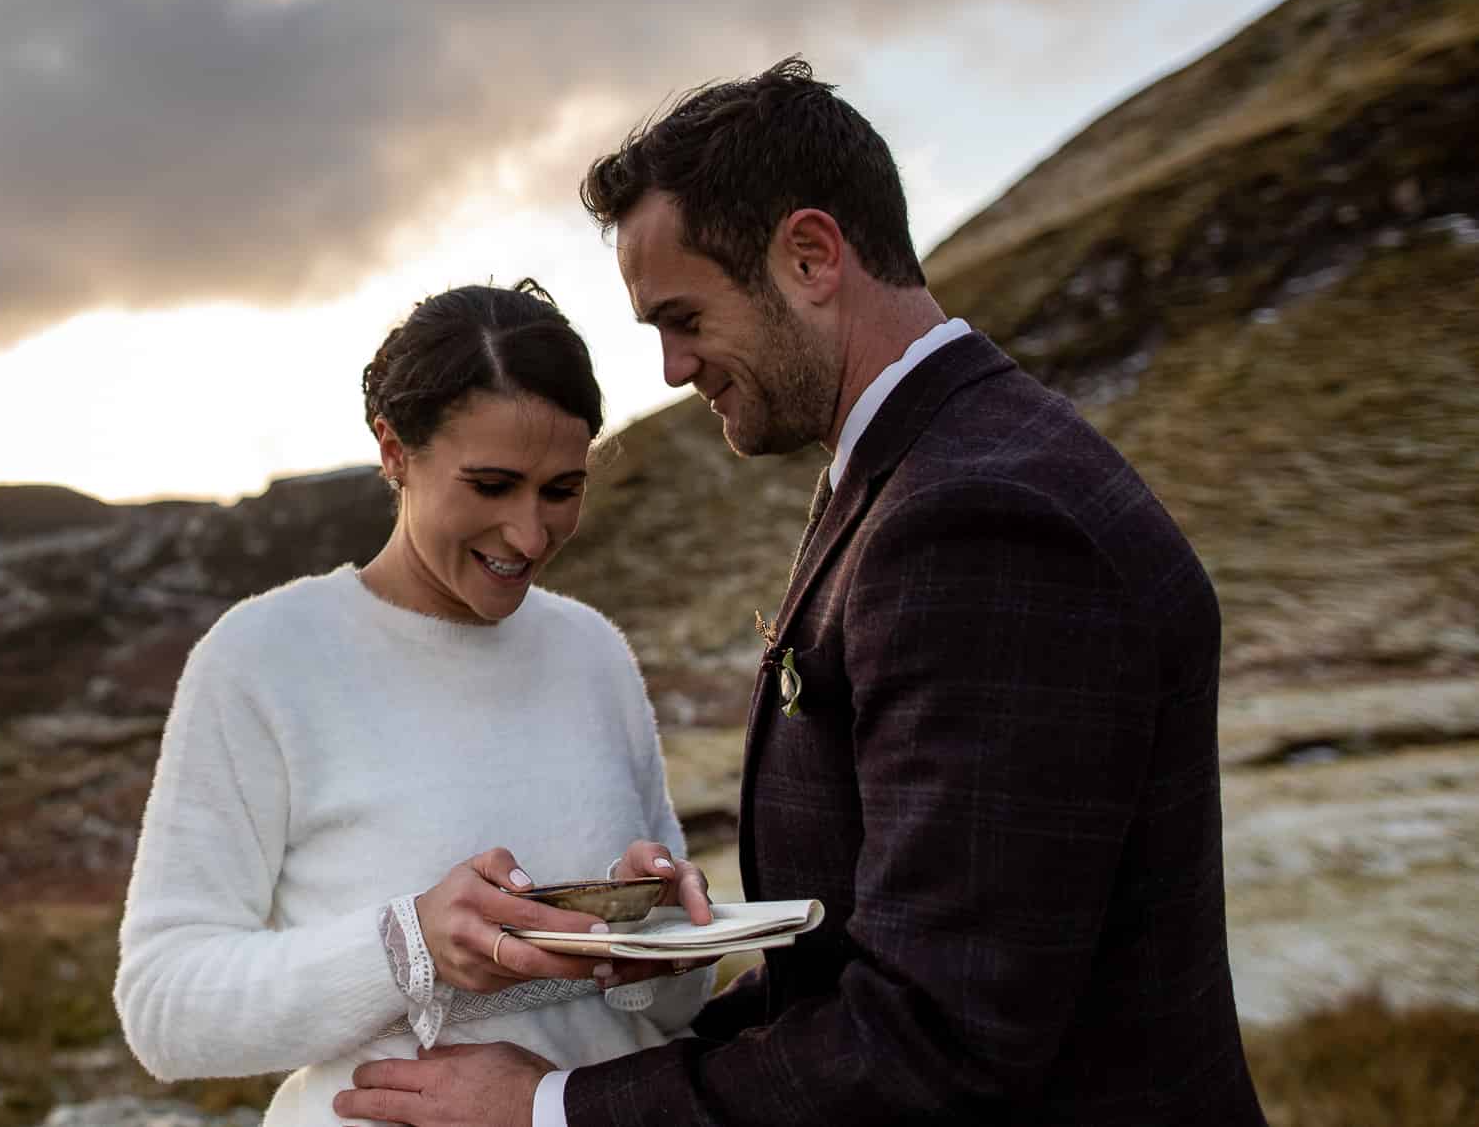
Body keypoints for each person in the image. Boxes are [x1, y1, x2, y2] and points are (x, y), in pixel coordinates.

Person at [336, 60, 1264, 1126]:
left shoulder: (976, 518)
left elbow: (932, 1040)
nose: (675, 368)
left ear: (810, 255)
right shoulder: (929, 465)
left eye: (682, 316)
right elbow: (877, 951)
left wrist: (552, 1106)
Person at [114, 280, 718, 1127]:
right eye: (492, 484)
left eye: (560, 490)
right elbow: (164, 1008)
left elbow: (676, 1013)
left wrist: (658, 944)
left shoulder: (593, 651)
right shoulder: (262, 658)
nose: (529, 535)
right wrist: (407, 946)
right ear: (394, 449)